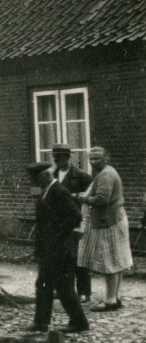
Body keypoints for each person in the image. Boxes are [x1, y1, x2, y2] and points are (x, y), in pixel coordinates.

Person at [26, 162, 89, 333]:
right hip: (49, 251)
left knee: (64, 288)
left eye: (36, 180)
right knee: (43, 285)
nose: (34, 184)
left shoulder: (59, 192)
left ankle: (80, 323)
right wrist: (39, 250)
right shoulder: (46, 193)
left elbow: (75, 216)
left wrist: (58, 235)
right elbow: (42, 226)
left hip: (61, 250)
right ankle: (41, 323)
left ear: (45, 176)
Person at [75, 147, 134, 312]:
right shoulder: (105, 172)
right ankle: (115, 296)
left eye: (97, 159)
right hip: (115, 219)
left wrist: (84, 198)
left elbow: (102, 200)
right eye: (91, 159)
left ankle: (110, 301)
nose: (93, 162)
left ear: (106, 158)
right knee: (117, 261)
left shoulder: (106, 174)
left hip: (109, 222)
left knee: (110, 262)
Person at [50, 143, 94, 302]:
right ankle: (65, 290)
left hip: (75, 222)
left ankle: (84, 292)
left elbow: (88, 201)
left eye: (60, 158)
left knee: (79, 258)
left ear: (68, 157)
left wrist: (83, 224)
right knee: (61, 257)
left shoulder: (82, 176)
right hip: (57, 223)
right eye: (55, 158)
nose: (57, 161)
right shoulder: (52, 175)